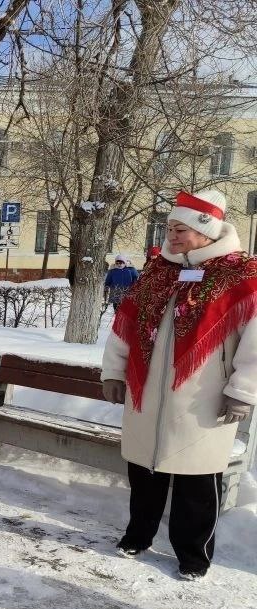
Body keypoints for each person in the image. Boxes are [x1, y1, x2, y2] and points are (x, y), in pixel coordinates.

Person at [102, 188, 257, 580]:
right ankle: (138, 535)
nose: (171, 236)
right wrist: (114, 372)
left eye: (180, 230)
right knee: (144, 472)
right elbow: (124, 327)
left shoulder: (240, 275)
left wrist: (242, 391)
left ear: (206, 231)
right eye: (169, 228)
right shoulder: (158, 272)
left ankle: (193, 556)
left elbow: (255, 341)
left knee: (197, 480)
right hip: (147, 395)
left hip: (202, 399)